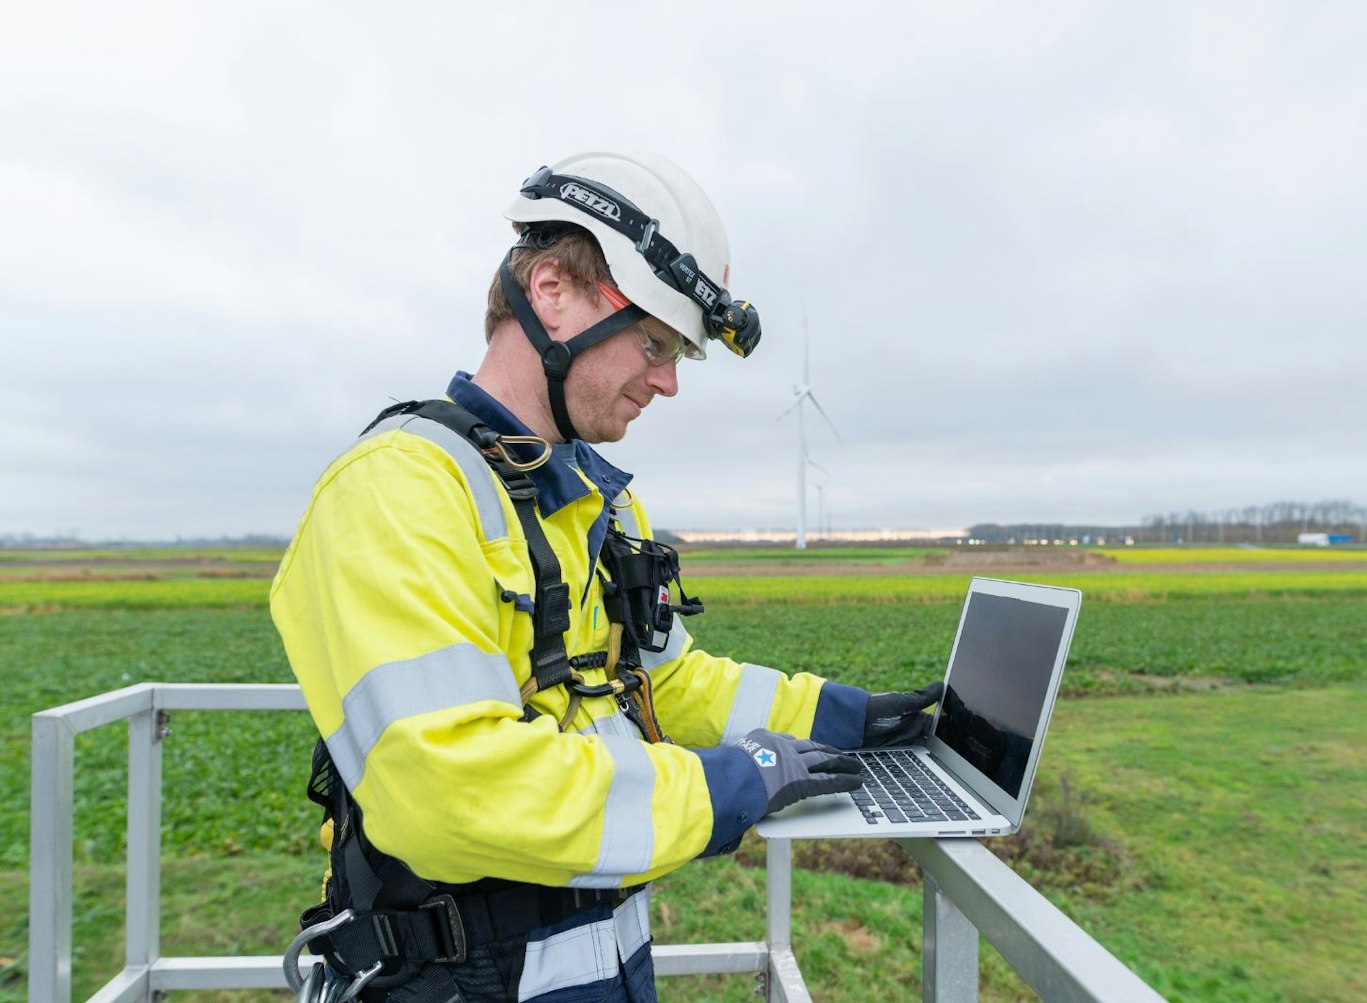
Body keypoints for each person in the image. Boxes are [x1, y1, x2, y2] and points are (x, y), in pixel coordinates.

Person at [271, 150, 942, 1003]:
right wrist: (733, 783)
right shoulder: (397, 492)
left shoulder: (599, 503)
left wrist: (841, 716)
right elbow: (446, 789)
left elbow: (667, 683)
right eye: (654, 343)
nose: (665, 383)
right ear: (551, 291)